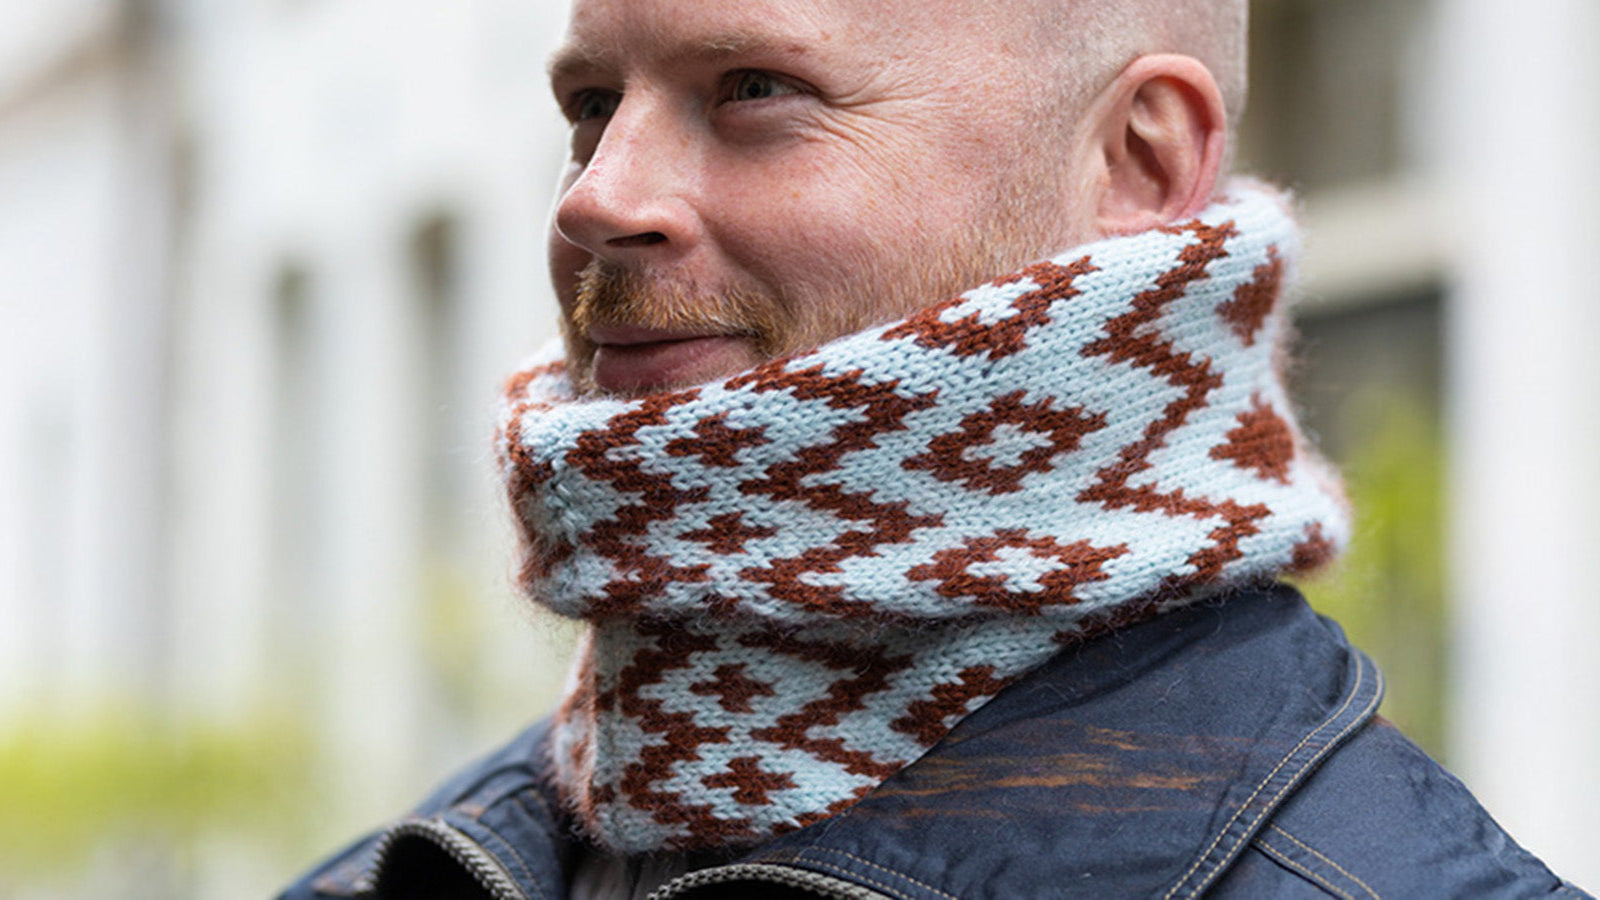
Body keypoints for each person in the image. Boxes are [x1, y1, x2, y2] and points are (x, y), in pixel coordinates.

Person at [282, 0, 1588, 896]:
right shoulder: (435, 869)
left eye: (754, 91)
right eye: (589, 102)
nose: (597, 194)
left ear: (1137, 163)